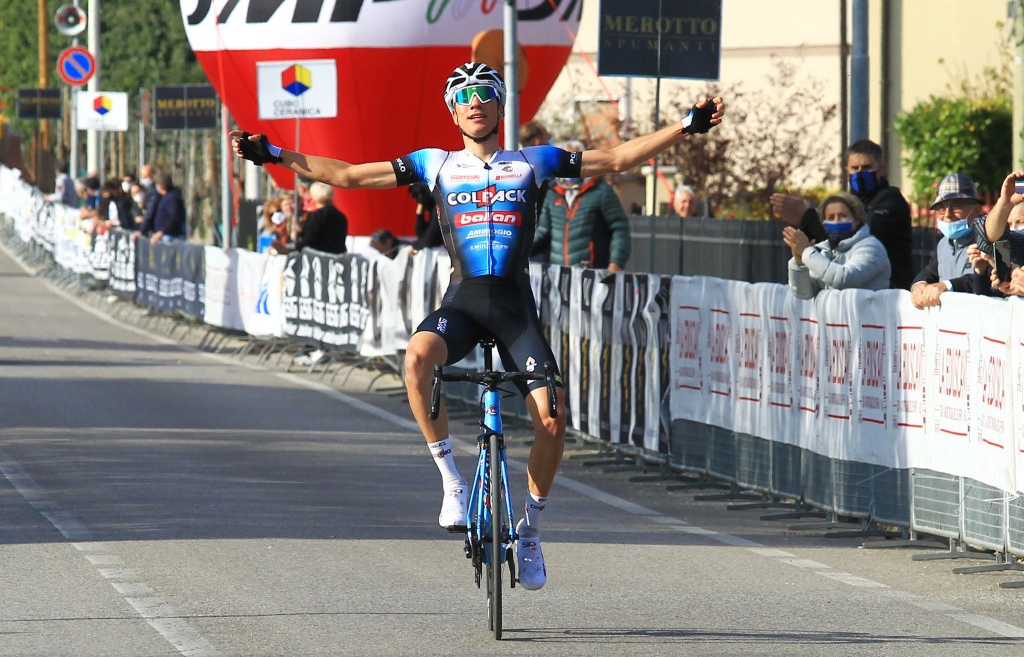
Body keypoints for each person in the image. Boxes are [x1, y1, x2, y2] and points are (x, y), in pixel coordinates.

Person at [230, 61, 725, 590]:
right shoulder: (435, 163)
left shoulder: (533, 161)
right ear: (452, 111)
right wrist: (274, 153)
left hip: (515, 309)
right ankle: (451, 480)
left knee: (553, 417)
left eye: (485, 93)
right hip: (464, 303)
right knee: (416, 358)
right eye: (463, 96)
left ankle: (529, 531)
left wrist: (685, 126)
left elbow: (618, 158)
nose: (475, 103)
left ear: (500, 105)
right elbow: (346, 175)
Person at [771, 140, 913, 290]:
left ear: (882, 168)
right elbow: (804, 291)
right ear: (847, 171)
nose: (860, 173)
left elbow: (854, 237)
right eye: (855, 168)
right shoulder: (846, 201)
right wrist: (799, 257)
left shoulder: (891, 200)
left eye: (867, 167)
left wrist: (806, 219)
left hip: (890, 293)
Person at [532, 140, 631, 271]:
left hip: (592, 272)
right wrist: (519, 251)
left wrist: (616, 263)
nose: (570, 166)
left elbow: (619, 228)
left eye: (574, 161)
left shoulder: (601, 191)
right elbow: (542, 232)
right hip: (560, 273)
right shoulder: (553, 193)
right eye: (566, 161)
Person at [782, 192, 890, 299]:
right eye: (830, 217)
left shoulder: (872, 247)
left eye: (843, 216)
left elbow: (844, 279)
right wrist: (799, 264)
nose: (836, 221)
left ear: (857, 220)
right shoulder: (826, 251)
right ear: (824, 224)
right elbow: (804, 293)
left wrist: (806, 252)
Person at [910, 173, 986, 309]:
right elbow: (930, 272)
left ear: (976, 210)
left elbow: (991, 279)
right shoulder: (943, 244)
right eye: (941, 208)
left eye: (956, 206)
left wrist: (947, 285)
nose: (947, 214)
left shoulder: (989, 239)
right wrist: (919, 285)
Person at [520, 120, 554, 262]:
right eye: (548, 139)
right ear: (538, 141)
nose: (551, 144)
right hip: (540, 245)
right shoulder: (544, 170)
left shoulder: (515, 166)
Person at [293, 182, 348, 254]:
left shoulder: (317, 216)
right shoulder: (341, 216)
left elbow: (309, 241)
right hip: (338, 255)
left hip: (320, 256)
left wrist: (292, 246)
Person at [135, 174, 187, 245]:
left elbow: (174, 218)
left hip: (170, 237)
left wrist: (161, 232)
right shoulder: (165, 197)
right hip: (165, 235)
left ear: (161, 185)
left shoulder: (172, 198)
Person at [408, 182, 443, 252]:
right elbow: (422, 235)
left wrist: (414, 246)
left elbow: (429, 241)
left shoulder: (439, 208)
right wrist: (419, 215)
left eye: (416, 196)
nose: (416, 201)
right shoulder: (433, 209)